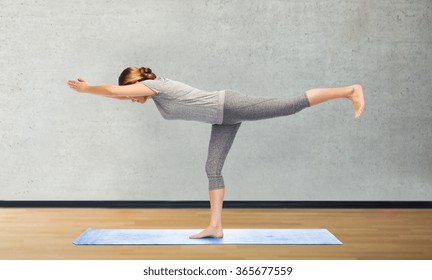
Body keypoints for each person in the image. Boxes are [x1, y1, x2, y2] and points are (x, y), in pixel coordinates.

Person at [67, 66, 365, 239]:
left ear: (136, 84)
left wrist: (88, 88)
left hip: (228, 105)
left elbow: (113, 92)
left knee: (288, 105)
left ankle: (348, 90)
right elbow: (118, 95)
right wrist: (98, 91)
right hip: (221, 118)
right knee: (212, 168)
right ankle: (215, 226)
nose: (129, 99)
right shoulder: (155, 95)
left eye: (129, 94)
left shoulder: (153, 85)